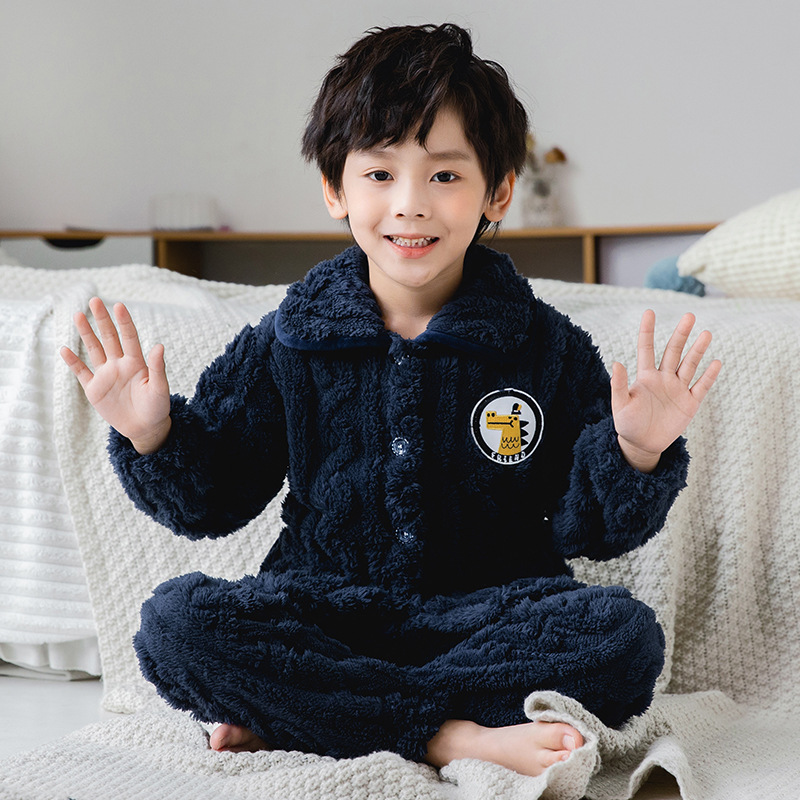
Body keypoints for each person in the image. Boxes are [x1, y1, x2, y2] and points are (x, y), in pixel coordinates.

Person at [60, 23, 721, 778]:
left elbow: (587, 530)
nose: (410, 205)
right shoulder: (289, 339)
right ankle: (452, 736)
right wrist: (154, 435)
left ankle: (316, 715)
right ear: (334, 188)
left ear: (498, 191)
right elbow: (213, 502)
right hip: (325, 616)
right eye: (379, 174)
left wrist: (637, 449)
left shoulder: (545, 344)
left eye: (444, 176)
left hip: (489, 621)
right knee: (175, 626)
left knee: (624, 638)